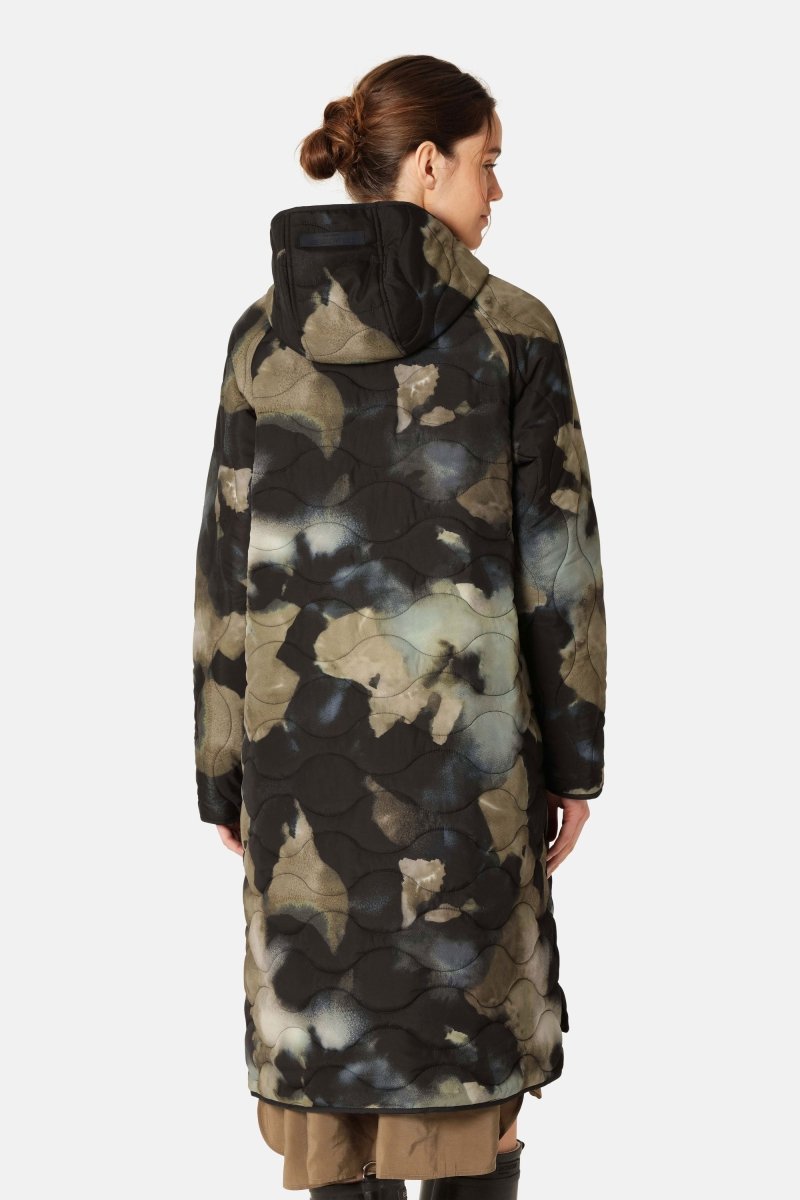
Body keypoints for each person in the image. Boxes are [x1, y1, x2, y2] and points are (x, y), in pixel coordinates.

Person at [192, 53, 607, 1200]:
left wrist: (223, 775)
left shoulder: (258, 339)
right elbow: (557, 572)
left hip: (298, 782)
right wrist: (574, 765)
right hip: (467, 785)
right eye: (486, 163)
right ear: (427, 165)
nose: (495, 190)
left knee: (330, 1083)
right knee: (469, 1073)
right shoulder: (512, 333)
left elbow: (224, 567)